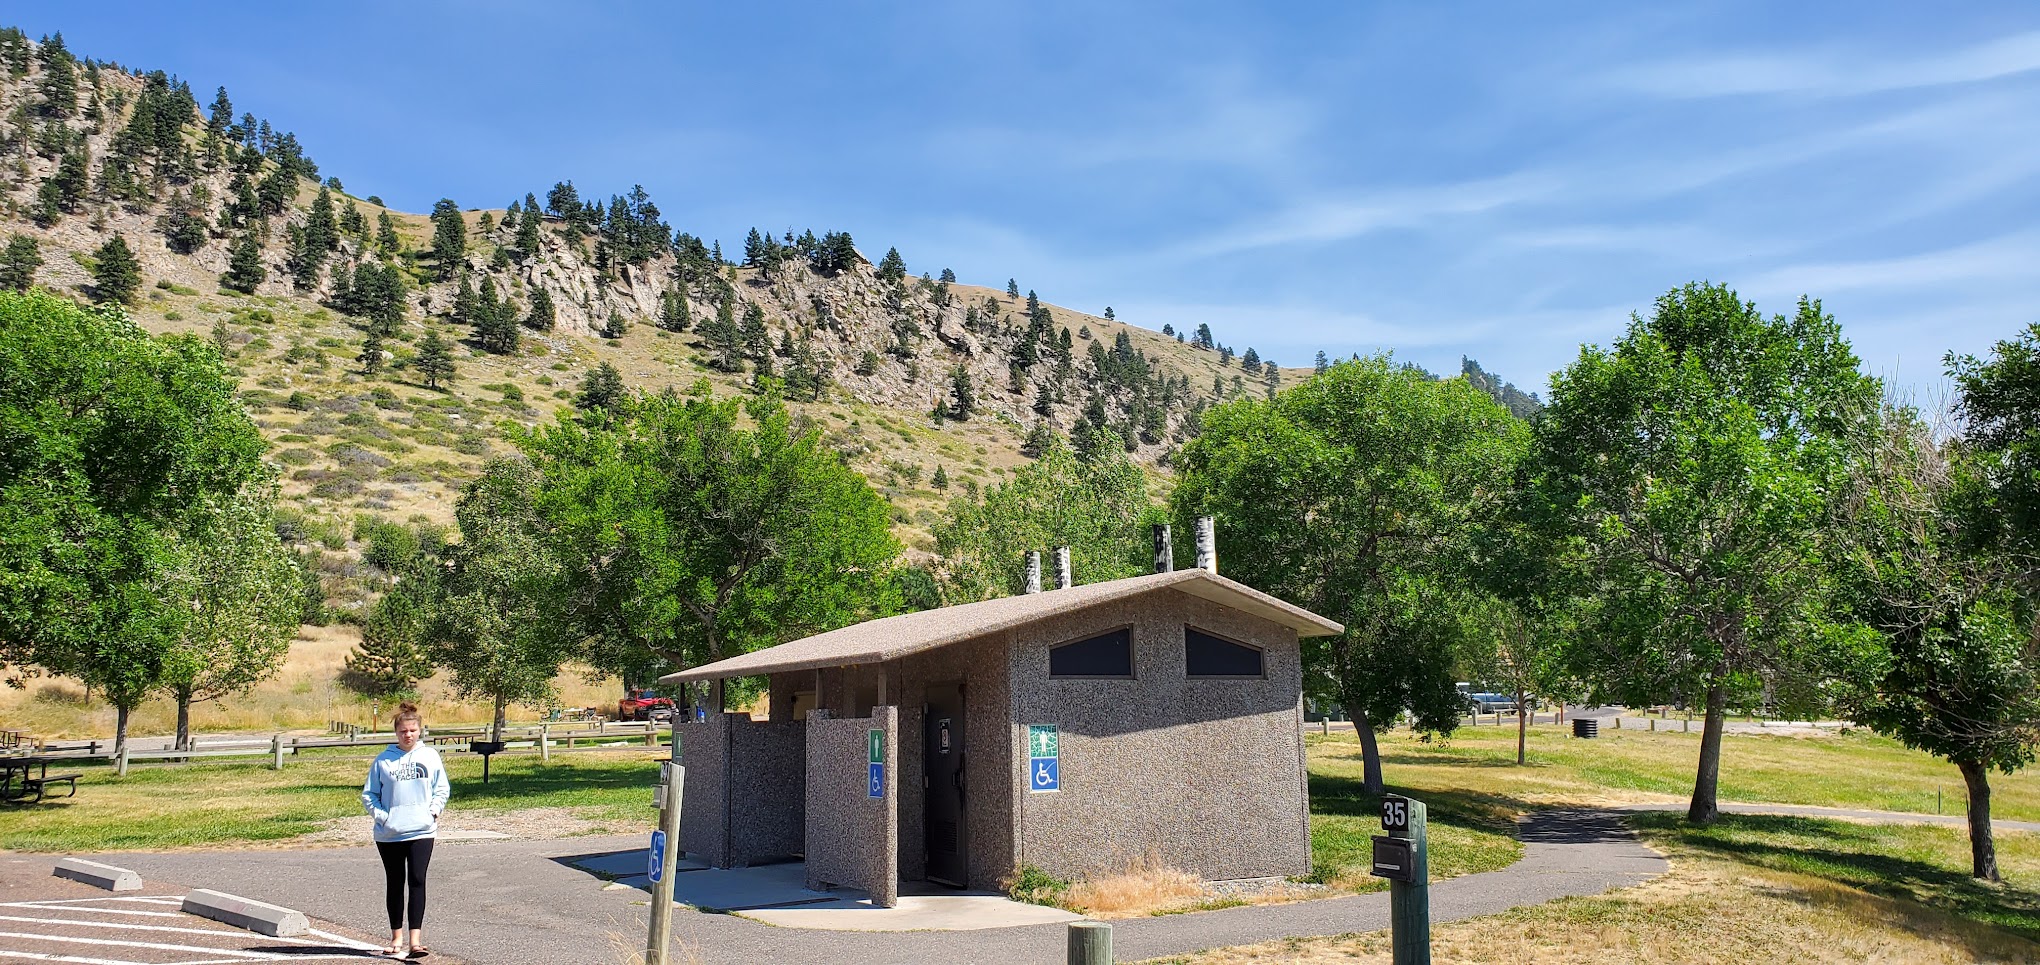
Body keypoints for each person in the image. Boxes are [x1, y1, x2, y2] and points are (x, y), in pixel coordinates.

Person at [362, 701, 450, 959]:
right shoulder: (383, 760)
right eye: (403, 731)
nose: (408, 735)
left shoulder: (429, 756)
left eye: (412, 730)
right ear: (396, 732)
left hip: (421, 830)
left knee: (417, 880)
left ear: (420, 730)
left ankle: (415, 941)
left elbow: (441, 788)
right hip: (390, 834)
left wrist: (433, 811)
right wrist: (384, 817)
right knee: (395, 882)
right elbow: (369, 795)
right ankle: (396, 938)